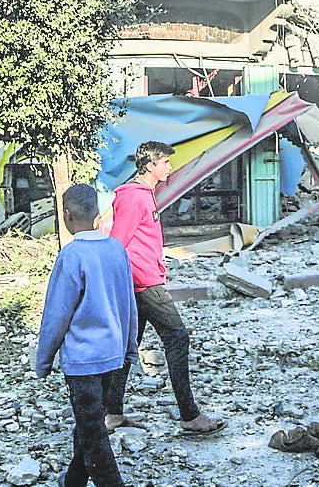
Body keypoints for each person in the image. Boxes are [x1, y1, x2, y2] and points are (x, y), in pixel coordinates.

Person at [103, 141, 226, 436]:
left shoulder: (143, 194)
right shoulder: (135, 198)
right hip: (144, 283)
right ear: (150, 165)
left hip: (142, 279)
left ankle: (111, 414)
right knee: (177, 339)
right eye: (166, 163)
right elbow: (118, 243)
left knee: (129, 347)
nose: (170, 167)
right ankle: (190, 416)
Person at [36, 184, 139, 487]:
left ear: (66, 215)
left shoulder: (71, 256)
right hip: (113, 357)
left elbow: (56, 315)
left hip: (82, 362)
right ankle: (73, 481)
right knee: (89, 424)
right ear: (97, 214)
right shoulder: (116, 250)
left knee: (93, 433)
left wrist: (43, 360)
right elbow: (128, 304)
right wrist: (130, 347)